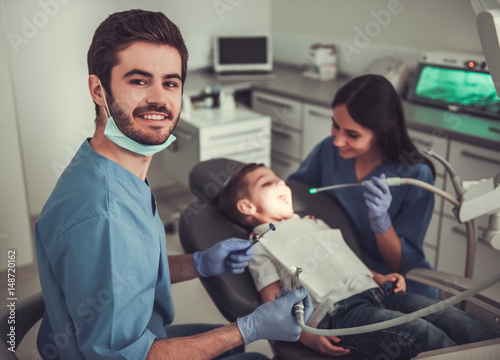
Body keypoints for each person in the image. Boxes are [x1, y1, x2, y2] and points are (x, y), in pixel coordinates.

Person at [34, 10, 312, 360]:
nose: (158, 99)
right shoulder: (102, 215)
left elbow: (127, 270)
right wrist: (249, 327)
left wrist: (198, 263)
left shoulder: (112, 169)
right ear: (98, 90)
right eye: (138, 81)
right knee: (252, 351)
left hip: (139, 334)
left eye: (170, 82)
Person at [218, 163, 499, 358]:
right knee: (417, 331)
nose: (282, 183)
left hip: (380, 291)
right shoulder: (260, 245)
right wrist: (305, 337)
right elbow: (272, 303)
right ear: (247, 206)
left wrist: (379, 276)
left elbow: (344, 259)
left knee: (446, 314)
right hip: (340, 313)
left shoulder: (312, 223)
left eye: (280, 178)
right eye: (268, 182)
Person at [289, 74, 438, 299]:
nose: (338, 140)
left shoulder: (415, 176)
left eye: (352, 134)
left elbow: (400, 264)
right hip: (341, 271)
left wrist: (381, 224)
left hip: (394, 284)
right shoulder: (329, 149)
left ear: (381, 133)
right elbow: (297, 190)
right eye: (335, 125)